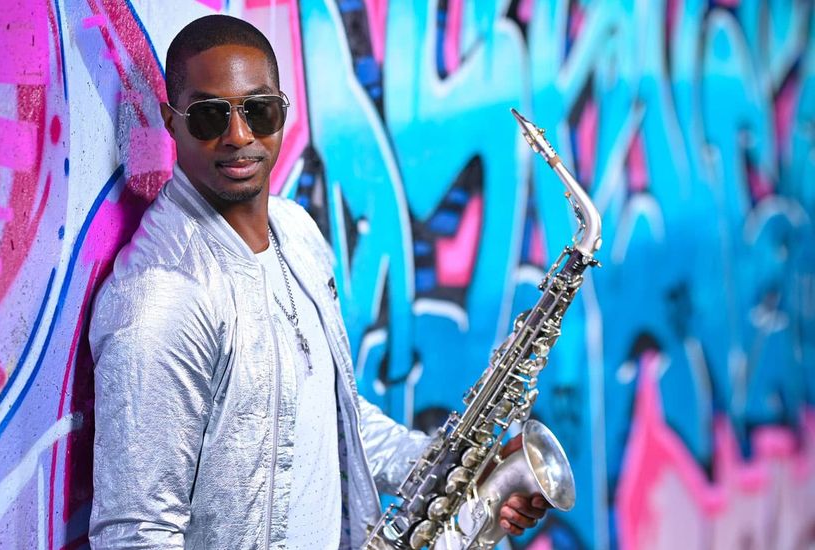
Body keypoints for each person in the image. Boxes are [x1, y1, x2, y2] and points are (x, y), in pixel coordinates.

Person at [89, 14, 550, 549]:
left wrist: (464, 473)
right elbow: (137, 533)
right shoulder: (162, 298)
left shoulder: (298, 234)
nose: (239, 136)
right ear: (172, 122)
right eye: (210, 116)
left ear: (283, 111)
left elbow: (336, 418)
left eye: (258, 110)